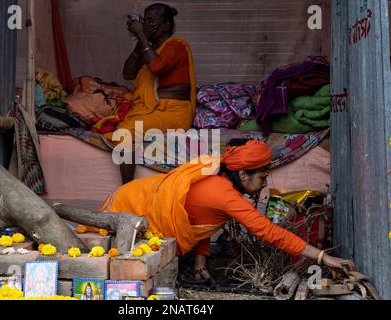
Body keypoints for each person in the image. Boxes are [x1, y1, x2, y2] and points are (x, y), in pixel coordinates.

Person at [99, 140, 356, 284]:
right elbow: (270, 233)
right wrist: (324, 257)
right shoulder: (227, 197)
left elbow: (196, 217)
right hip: (127, 208)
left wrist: (201, 261)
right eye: (262, 177)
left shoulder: (216, 174)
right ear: (243, 174)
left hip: (133, 196)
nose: (265, 183)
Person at [103, 3, 197, 184]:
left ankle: (127, 189)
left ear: (167, 25)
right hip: (154, 110)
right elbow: (128, 74)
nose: (146, 25)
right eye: (144, 21)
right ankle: (128, 189)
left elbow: (157, 67)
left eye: (151, 21)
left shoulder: (176, 45)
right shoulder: (149, 49)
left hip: (175, 112)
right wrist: (141, 41)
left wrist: (140, 35)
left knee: (125, 133)